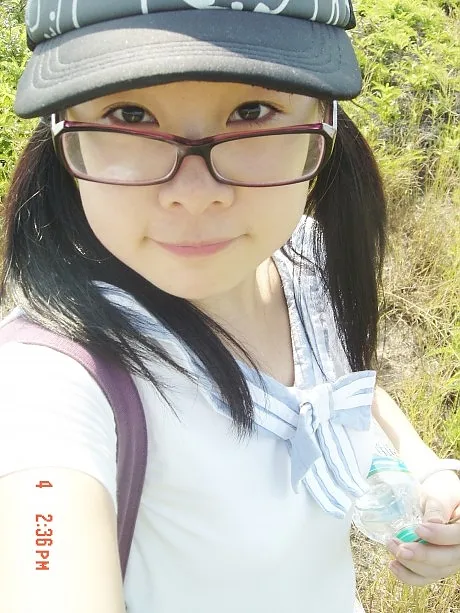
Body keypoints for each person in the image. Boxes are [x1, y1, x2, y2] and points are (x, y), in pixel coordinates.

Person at [0, 1, 459, 612]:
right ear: (63, 130)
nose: (194, 194)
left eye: (252, 112)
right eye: (129, 114)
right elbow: (44, 548)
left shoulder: (303, 258)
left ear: (323, 121)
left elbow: (339, 380)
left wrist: (423, 468)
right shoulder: (52, 379)